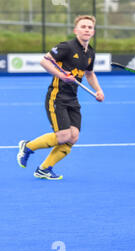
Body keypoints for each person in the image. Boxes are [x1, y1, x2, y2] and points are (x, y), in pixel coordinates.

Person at [17, 15, 104, 179]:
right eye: (83, 26)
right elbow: (45, 61)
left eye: (89, 27)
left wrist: (98, 91)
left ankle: (44, 169)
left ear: (93, 31)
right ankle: (27, 146)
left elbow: (90, 74)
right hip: (57, 98)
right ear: (76, 30)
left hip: (73, 99)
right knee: (63, 135)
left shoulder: (90, 52)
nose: (86, 29)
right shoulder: (67, 47)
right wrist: (62, 76)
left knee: (73, 137)